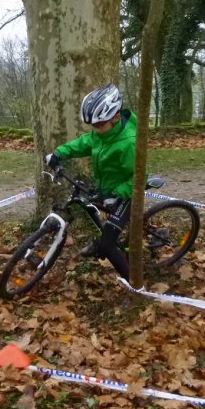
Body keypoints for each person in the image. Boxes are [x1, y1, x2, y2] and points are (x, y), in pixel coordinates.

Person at [44, 83, 136, 279]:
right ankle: (105, 238)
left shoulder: (129, 142)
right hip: (107, 187)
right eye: (93, 126)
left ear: (116, 117)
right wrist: (58, 154)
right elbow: (83, 143)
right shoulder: (100, 133)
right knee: (91, 203)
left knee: (108, 245)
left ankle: (135, 285)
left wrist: (119, 193)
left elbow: (138, 177)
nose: (96, 130)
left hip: (127, 192)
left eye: (100, 125)